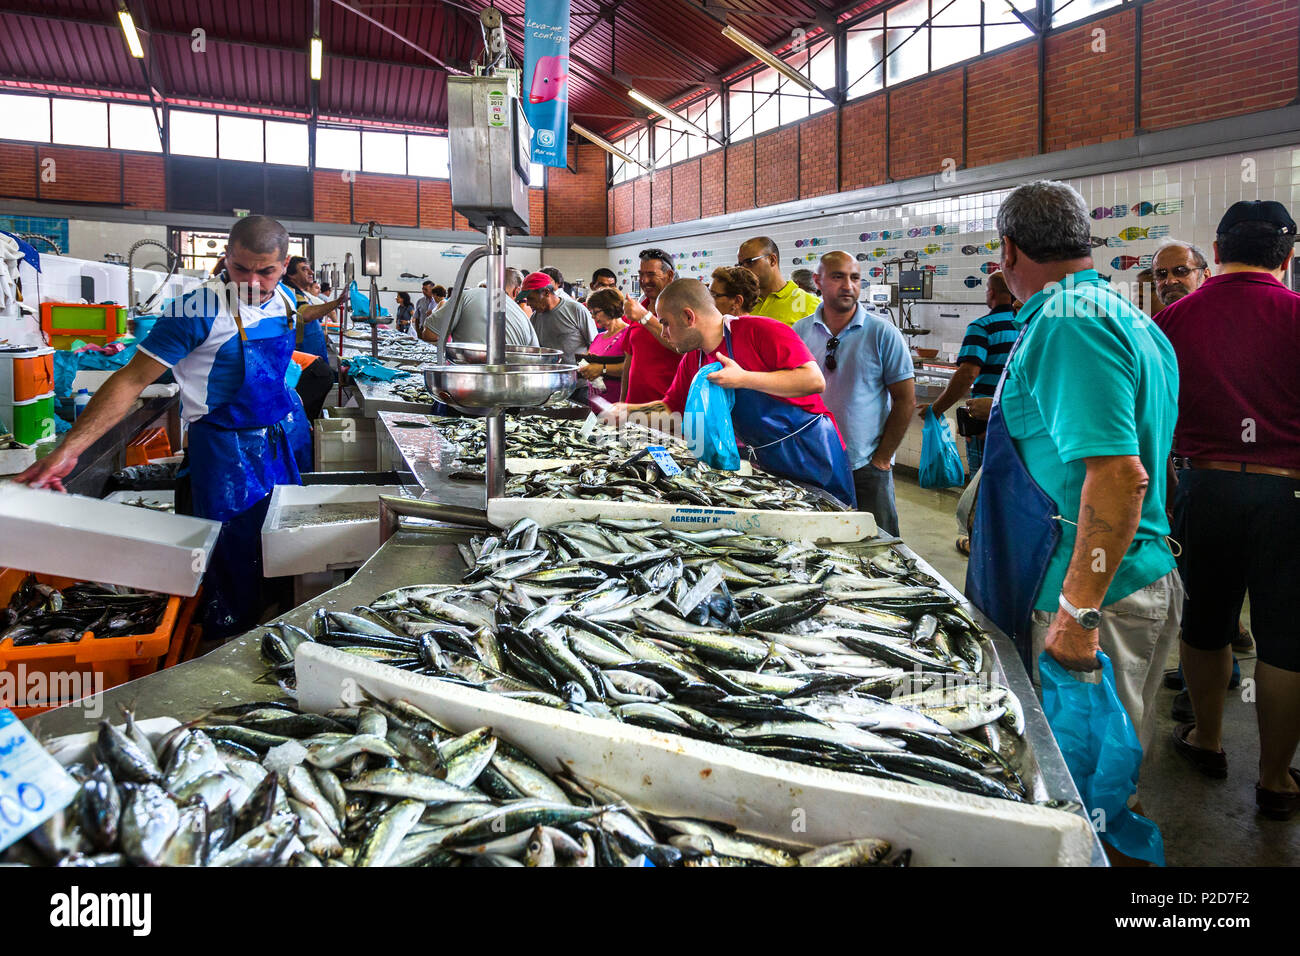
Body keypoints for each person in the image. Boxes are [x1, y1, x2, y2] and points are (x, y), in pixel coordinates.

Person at [966, 181, 1182, 771]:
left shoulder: (1068, 324)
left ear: (1007, 251)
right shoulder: (1127, 317)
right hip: (1115, 580)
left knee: (1085, 788)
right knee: (1094, 774)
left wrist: (1078, 611)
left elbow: (1120, 476)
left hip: (1089, 593)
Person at [16, 216, 315, 640]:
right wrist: (70, 448)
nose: (251, 281)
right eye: (240, 268)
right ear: (225, 258)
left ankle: (273, 623)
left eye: (264, 271)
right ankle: (224, 644)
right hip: (224, 454)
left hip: (276, 442)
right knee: (228, 561)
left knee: (279, 547)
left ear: (283, 265)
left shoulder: (284, 299)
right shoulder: (195, 310)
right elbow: (130, 380)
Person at [1156, 200, 1300, 819]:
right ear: (1288, 256)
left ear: (1215, 253)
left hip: (1204, 487)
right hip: (1289, 493)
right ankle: (1275, 779)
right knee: (1285, 641)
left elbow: (1154, 417)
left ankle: (1208, 740)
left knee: (1206, 624)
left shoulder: (1174, 319)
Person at [604, 279, 855, 507]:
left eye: (666, 323)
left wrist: (744, 378)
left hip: (813, 454)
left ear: (689, 316)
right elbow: (672, 408)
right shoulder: (693, 358)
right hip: (764, 460)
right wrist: (628, 412)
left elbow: (813, 380)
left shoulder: (760, 331)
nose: (664, 333)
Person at [794, 251, 914, 531]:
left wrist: (882, 458)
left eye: (855, 278)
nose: (848, 286)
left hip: (866, 465)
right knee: (820, 540)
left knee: (880, 543)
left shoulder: (882, 334)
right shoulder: (800, 332)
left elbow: (905, 399)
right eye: (838, 277)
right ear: (818, 282)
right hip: (814, 461)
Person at [918, 270, 1020, 476]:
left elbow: (967, 374)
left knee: (982, 482)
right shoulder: (1028, 324)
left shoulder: (982, 327)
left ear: (991, 293)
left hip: (985, 421)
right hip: (1020, 418)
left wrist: (936, 409)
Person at [621, 248, 685, 403]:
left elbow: (681, 347)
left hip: (668, 412)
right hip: (634, 410)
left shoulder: (682, 310)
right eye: (641, 274)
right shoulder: (638, 309)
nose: (644, 280)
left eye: (651, 274)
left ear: (669, 276)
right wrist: (622, 402)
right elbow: (629, 361)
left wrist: (645, 317)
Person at [518, 272, 596, 396]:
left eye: (531, 298)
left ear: (546, 293)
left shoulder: (576, 310)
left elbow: (596, 345)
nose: (528, 304)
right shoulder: (534, 318)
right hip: (553, 387)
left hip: (580, 387)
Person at [421, 267, 538, 347]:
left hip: (470, 377)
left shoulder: (466, 296)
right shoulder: (523, 316)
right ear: (517, 292)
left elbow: (430, 334)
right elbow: (534, 355)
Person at [737, 236, 820, 326]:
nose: (744, 269)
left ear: (772, 260)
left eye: (750, 262)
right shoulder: (741, 304)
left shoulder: (810, 305)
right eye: (740, 265)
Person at [283, 256, 346, 365]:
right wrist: (338, 301)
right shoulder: (290, 292)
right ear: (291, 274)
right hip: (305, 360)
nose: (311, 272)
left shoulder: (302, 294)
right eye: (304, 269)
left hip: (313, 357)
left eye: (310, 269)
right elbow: (306, 314)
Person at [580, 288, 630, 411]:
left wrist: (602, 368)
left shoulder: (628, 333)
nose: (592, 316)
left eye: (596, 312)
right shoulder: (599, 336)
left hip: (617, 404)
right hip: (596, 404)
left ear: (610, 308)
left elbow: (632, 367)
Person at [1150, 239, 1211, 313]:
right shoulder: (1154, 321)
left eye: (1181, 271)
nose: (1170, 281)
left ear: (1206, 275)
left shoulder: (1220, 317)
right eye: (1161, 274)